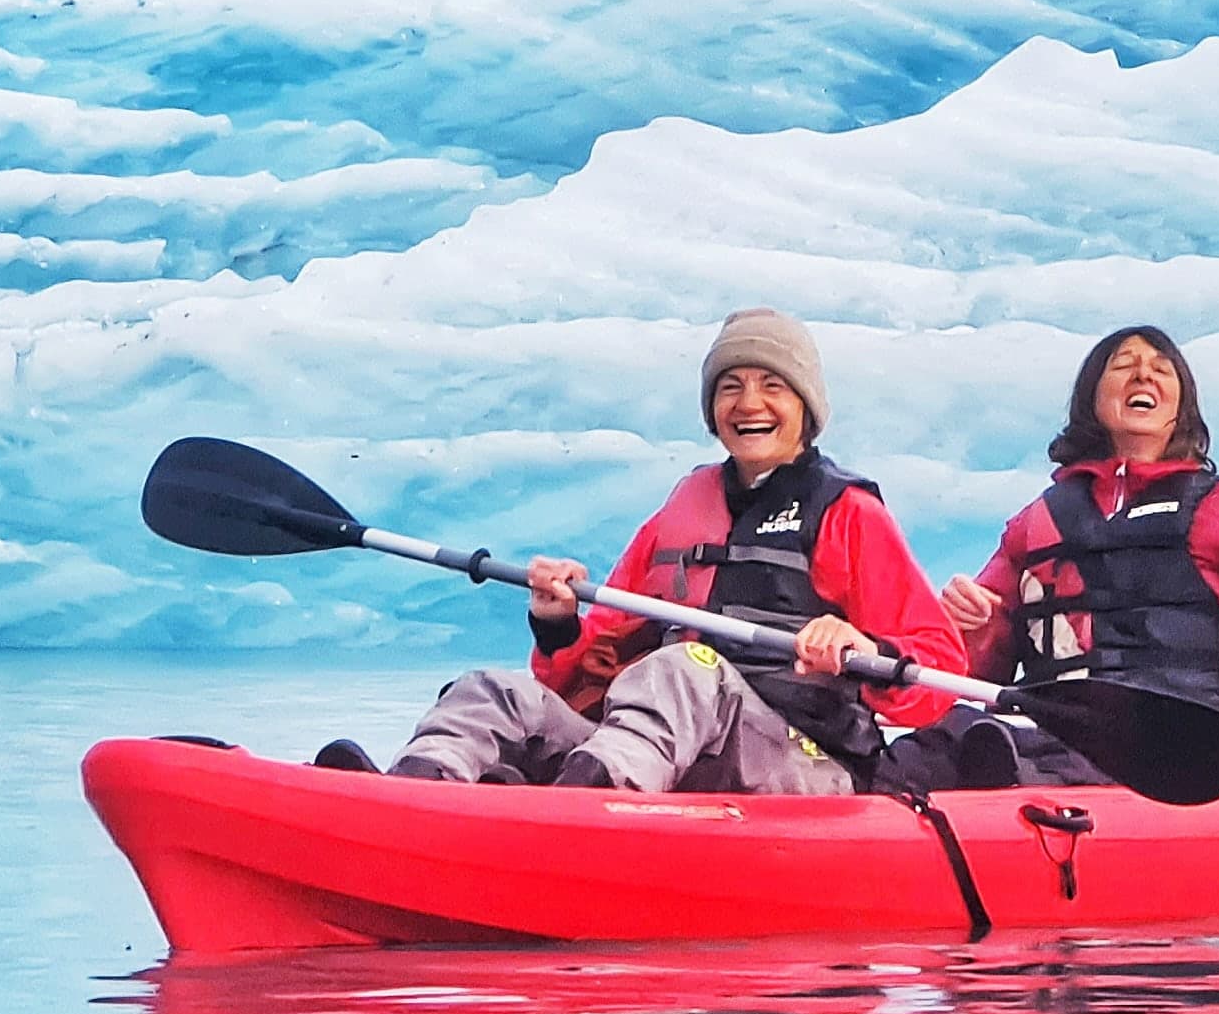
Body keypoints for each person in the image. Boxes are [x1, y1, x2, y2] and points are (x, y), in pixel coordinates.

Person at [317, 308, 967, 794]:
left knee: (687, 667)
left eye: (772, 386)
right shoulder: (678, 519)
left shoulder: (849, 515)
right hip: (672, 756)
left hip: (810, 764)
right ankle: (412, 795)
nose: (749, 404)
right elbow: (580, 680)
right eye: (729, 387)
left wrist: (861, 649)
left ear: (805, 406)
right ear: (712, 411)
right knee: (495, 689)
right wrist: (558, 621)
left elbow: (937, 671)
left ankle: (579, 814)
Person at [879, 324, 1219, 794]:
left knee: (1020, 757)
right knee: (937, 744)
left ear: (1182, 408)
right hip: (1051, 728)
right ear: (1093, 401)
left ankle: (1009, 792)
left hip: (1180, 738)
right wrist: (973, 626)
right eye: (1124, 367)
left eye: (1161, 370)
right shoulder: (1038, 522)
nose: (1143, 376)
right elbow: (973, 667)